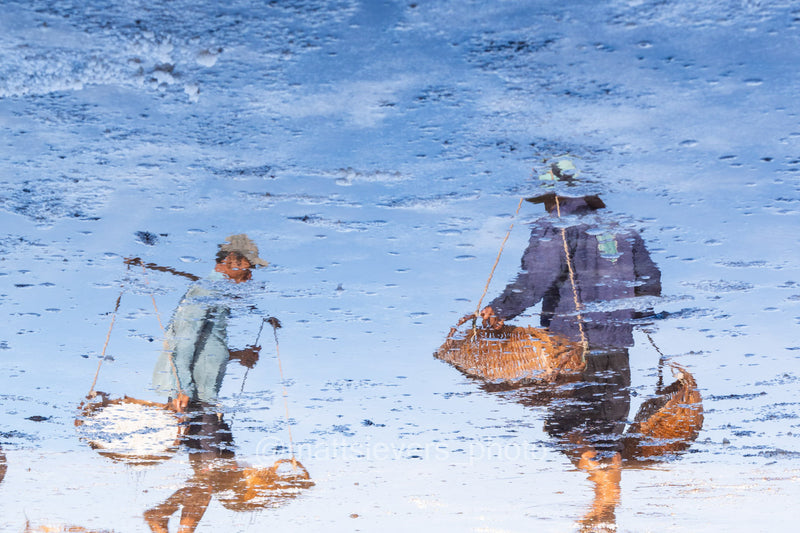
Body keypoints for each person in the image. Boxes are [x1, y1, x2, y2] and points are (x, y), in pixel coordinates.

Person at [151, 234, 268, 412]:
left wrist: (238, 355)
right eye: (249, 266)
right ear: (232, 259)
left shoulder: (217, 293)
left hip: (204, 396)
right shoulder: (206, 290)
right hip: (192, 398)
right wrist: (182, 388)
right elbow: (183, 341)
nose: (250, 275)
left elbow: (206, 347)